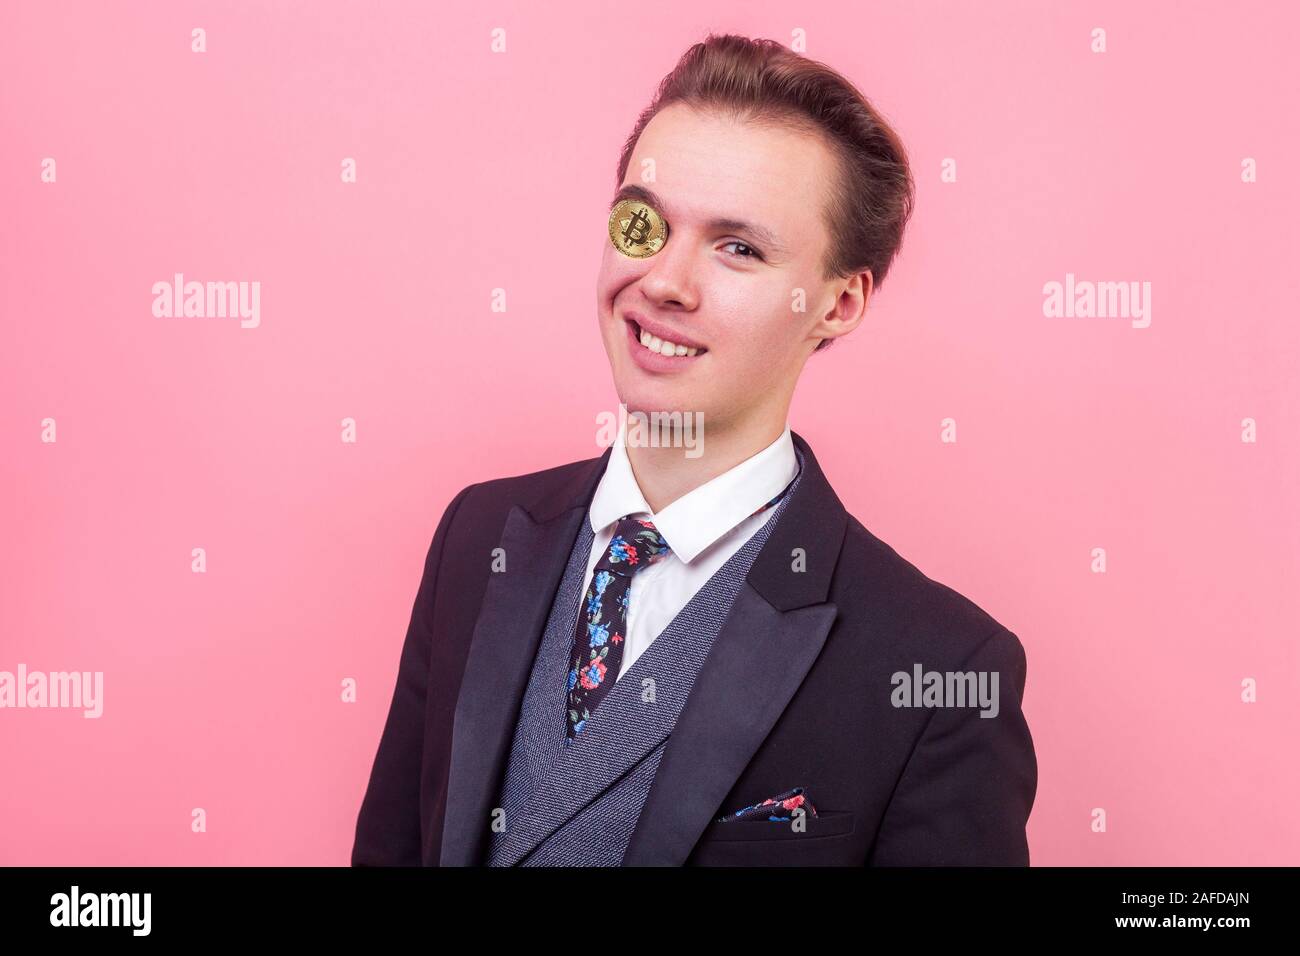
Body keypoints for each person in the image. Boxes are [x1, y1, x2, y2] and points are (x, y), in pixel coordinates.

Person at [352, 33, 1036, 866]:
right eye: (645, 223)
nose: (664, 281)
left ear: (839, 302)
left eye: (739, 247)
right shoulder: (481, 536)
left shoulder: (940, 670)